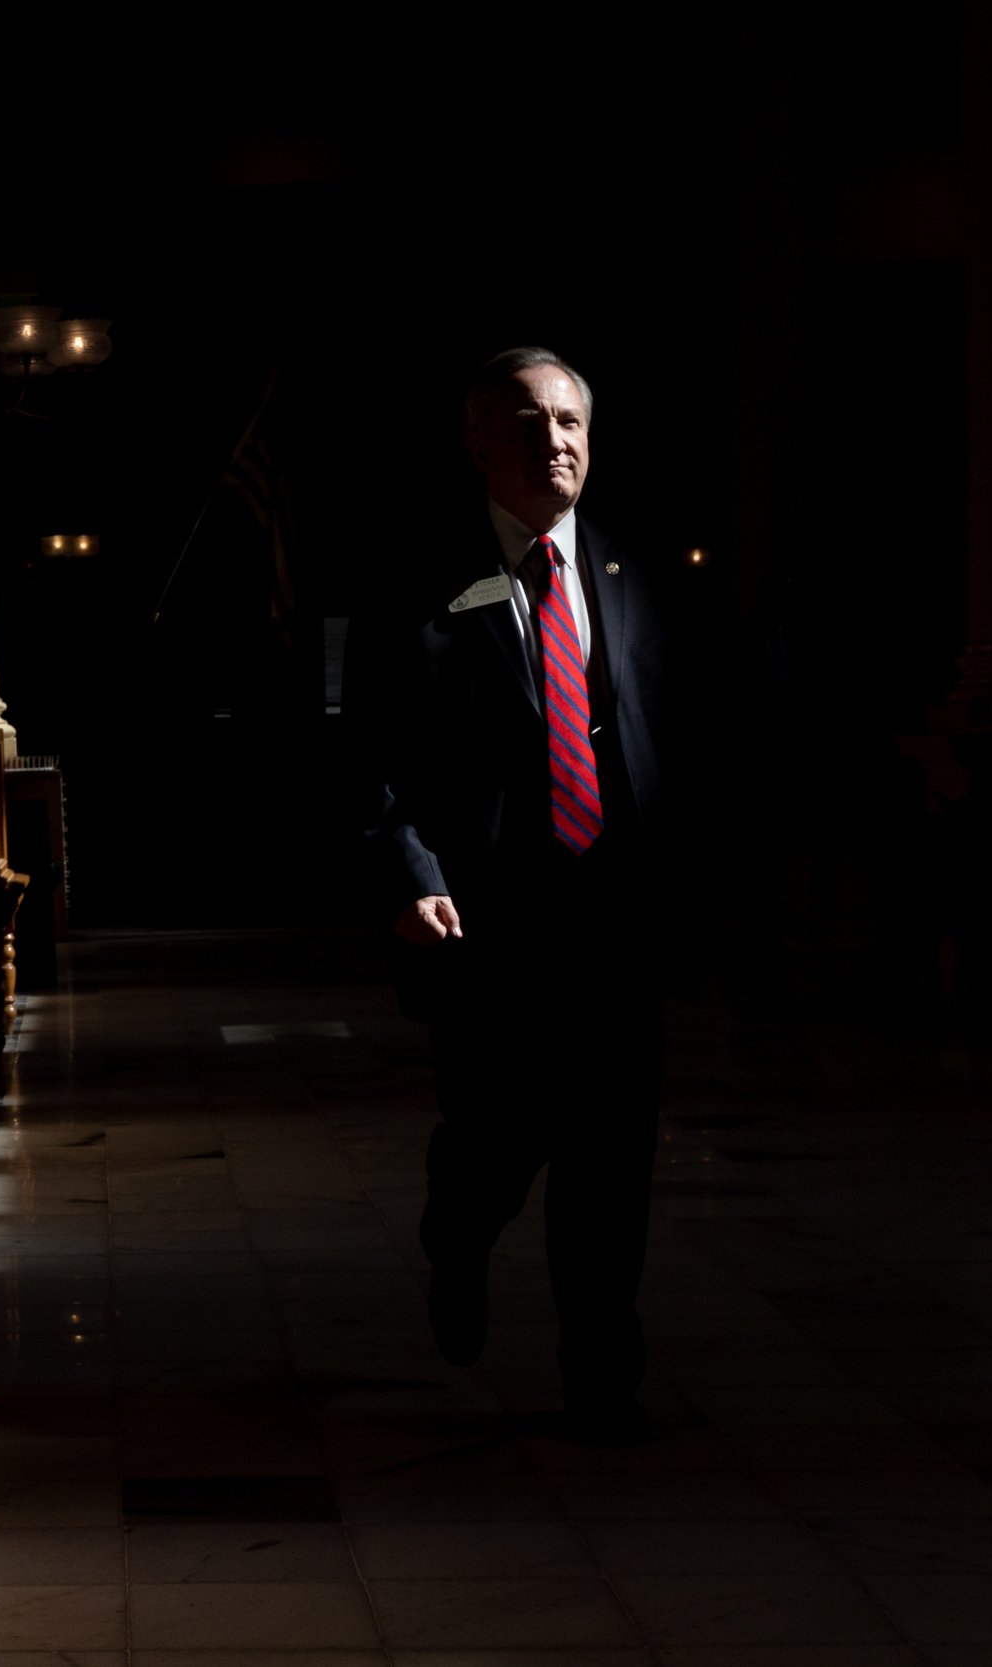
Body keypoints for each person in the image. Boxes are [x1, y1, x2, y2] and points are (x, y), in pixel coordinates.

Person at [364, 346, 683, 1445]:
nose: (553, 440)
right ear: (477, 442)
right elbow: (372, 756)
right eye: (526, 423)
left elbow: (675, 741)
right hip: (488, 926)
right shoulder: (420, 583)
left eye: (568, 422)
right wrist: (411, 875)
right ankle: (457, 1233)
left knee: (607, 1168)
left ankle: (602, 1383)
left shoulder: (633, 575)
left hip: (615, 925)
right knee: (498, 1143)